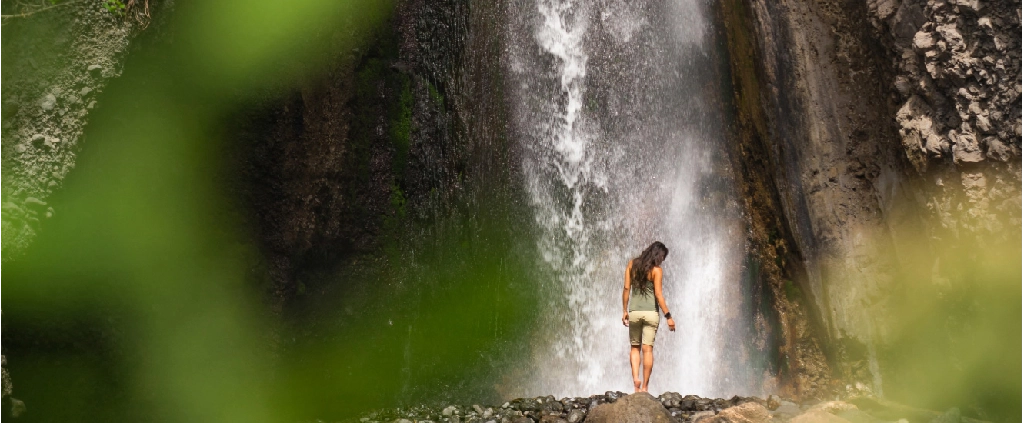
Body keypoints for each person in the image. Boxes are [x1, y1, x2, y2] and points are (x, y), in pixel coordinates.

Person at [621, 241, 675, 393]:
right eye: (662, 257)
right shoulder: (657, 270)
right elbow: (658, 295)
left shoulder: (632, 264)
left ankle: (635, 382)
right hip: (651, 313)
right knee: (648, 350)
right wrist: (668, 316)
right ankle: (645, 387)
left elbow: (626, 288)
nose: (662, 260)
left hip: (635, 312)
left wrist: (624, 310)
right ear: (657, 255)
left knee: (634, 348)